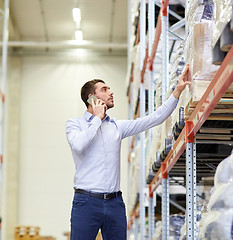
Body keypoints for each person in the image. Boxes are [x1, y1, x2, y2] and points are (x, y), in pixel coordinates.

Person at [66, 65, 191, 240]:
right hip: (86, 202)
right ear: (91, 98)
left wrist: (177, 91)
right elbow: (79, 145)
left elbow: (154, 119)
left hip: (114, 203)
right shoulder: (74, 124)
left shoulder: (117, 126)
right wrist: (96, 119)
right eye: (104, 89)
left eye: (109, 88)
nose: (111, 92)